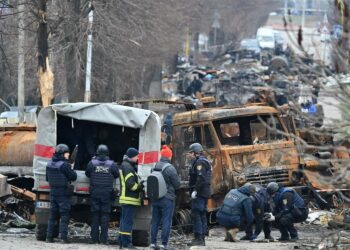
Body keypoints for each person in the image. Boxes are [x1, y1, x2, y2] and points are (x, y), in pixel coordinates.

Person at [85, 144, 119, 244]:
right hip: (107, 194)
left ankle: (94, 239)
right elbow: (116, 175)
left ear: (97, 152)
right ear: (107, 153)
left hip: (95, 193)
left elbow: (87, 174)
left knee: (95, 215)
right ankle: (104, 240)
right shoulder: (112, 164)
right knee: (105, 216)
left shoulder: (92, 163)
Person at [150, 145, 181, 250]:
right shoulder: (170, 168)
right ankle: (164, 244)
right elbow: (177, 184)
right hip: (167, 198)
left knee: (154, 221)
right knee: (166, 221)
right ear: (169, 156)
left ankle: (153, 243)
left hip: (155, 198)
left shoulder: (155, 166)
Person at [46, 144, 77, 243]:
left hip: (53, 192)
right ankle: (63, 238)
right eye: (67, 154)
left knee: (52, 216)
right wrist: (70, 167)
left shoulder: (49, 164)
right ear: (63, 154)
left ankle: (49, 237)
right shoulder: (64, 165)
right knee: (64, 216)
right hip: (63, 193)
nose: (68, 155)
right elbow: (73, 177)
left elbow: (47, 178)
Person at [187, 143, 212, 246]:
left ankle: (199, 238)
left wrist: (195, 191)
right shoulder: (204, 160)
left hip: (200, 193)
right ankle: (202, 238)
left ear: (195, 153)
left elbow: (201, 178)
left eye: (190, 153)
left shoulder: (200, 162)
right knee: (202, 214)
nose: (189, 155)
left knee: (196, 213)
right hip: (204, 192)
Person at [119, 147, 143, 249]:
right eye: (137, 156)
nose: (137, 158)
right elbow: (131, 185)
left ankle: (121, 242)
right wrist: (140, 187)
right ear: (132, 156)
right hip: (129, 198)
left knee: (124, 221)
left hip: (126, 198)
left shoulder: (125, 165)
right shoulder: (128, 167)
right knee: (128, 222)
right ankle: (127, 243)